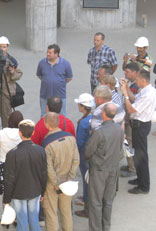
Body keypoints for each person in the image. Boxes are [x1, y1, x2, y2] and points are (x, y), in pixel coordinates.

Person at [85, 103, 124, 231]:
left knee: (96, 201)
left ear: (103, 114)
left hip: (99, 170)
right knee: (108, 201)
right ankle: (106, 227)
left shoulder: (99, 132)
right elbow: (119, 149)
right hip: (113, 168)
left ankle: (95, 228)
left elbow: (88, 151)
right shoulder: (119, 129)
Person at [3, 119, 47, 231]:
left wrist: (6, 199)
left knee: (21, 223)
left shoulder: (12, 154)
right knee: (34, 221)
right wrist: (42, 192)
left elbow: (9, 179)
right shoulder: (40, 151)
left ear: (20, 133)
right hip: (35, 191)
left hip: (18, 193)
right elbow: (43, 174)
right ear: (33, 133)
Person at [41, 112, 79, 231]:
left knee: (51, 213)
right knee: (66, 212)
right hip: (67, 181)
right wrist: (70, 178)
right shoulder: (71, 138)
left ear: (47, 124)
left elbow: (49, 168)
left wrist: (56, 183)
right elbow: (76, 160)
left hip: (52, 185)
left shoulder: (47, 144)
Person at [120, 69, 156, 194]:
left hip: (140, 126)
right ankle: (140, 179)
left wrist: (124, 94)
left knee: (141, 157)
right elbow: (134, 99)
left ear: (144, 80)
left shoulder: (148, 94)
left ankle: (144, 186)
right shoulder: (146, 90)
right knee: (137, 154)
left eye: (138, 79)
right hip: (138, 125)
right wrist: (127, 89)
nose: (136, 81)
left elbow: (131, 109)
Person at [0, 111, 23, 201]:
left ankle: (7, 213)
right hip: (18, 166)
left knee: (6, 196)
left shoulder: (1, 133)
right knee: (18, 192)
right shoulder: (22, 134)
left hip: (3, 165)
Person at [73, 93, 95, 218]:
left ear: (82, 106)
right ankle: (87, 199)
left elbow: (80, 142)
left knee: (86, 179)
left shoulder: (83, 123)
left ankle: (87, 206)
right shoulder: (92, 118)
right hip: (91, 153)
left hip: (84, 154)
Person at [36, 44, 73, 117]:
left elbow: (69, 78)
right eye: (47, 52)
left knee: (61, 116)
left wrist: (59, 83)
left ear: (57, 54)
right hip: (45, 95)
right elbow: (39, 75)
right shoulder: (42, 63)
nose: (47, 54)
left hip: (60, 95)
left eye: (50, 53)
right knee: (44, 115)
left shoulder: (65, 64)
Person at [120, 62, 140, 178]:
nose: (125, 73)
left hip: (130, 120)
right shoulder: (132, 84)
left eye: (127, 72)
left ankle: (132, 168)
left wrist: (126, 89)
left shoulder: (136, 87)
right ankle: (130, 165)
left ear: (135, 73)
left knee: (129, 144)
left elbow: (134, 103)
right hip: (128, 119)